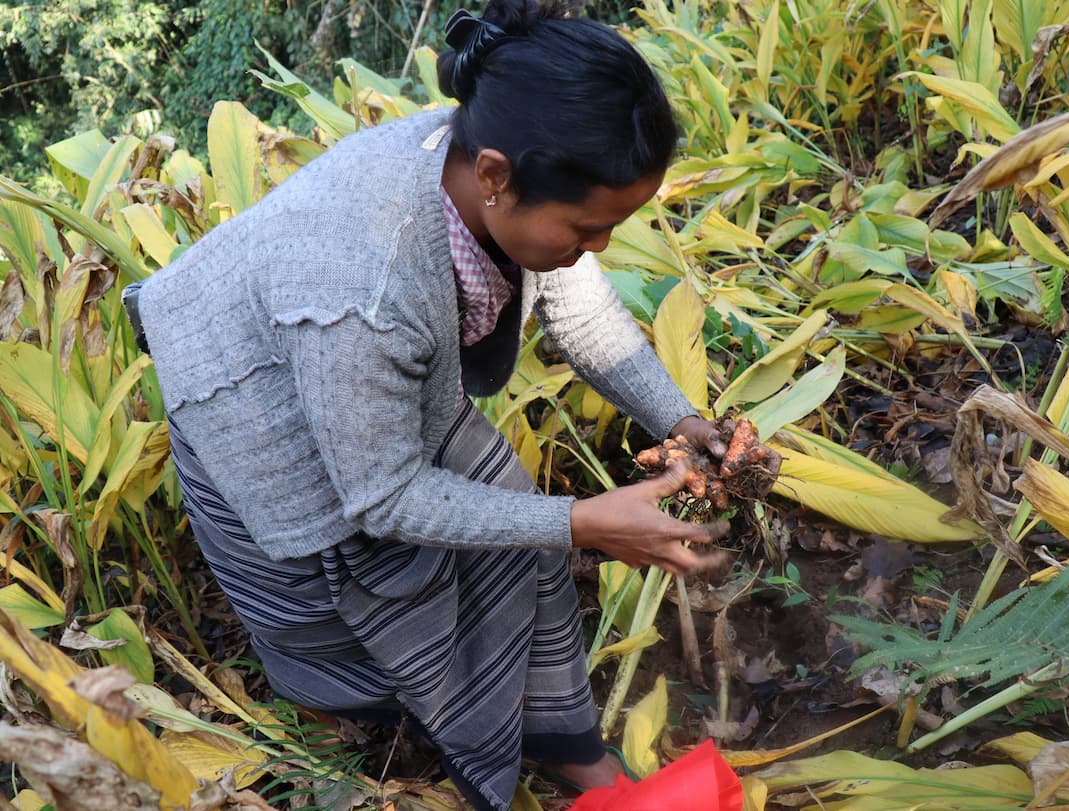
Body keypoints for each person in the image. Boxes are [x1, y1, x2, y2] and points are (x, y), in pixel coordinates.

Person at [129, 2, 733, 808]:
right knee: (354, 621)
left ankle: (570, 749)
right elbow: (381, 496)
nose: (603, 248)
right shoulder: (364, 284)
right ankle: (361, 750)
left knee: (519, 542)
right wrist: (584, 521)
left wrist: (681, 420)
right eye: (588, 227)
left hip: (372, 383)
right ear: (494, 177)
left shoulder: (496, 161)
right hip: (253, 404)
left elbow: (581, 312)